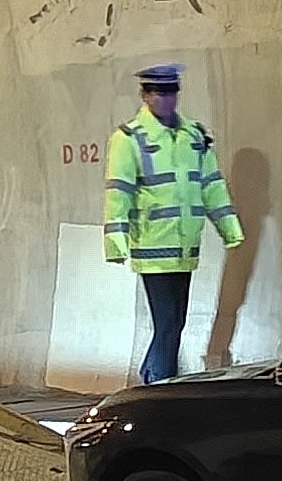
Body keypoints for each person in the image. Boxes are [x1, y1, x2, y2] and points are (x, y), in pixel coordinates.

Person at [101, 63, 244, 384]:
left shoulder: (194, 136)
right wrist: (116, 242)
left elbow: (212, 185)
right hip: (153, 246)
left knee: (174, 323)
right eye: (157, 93)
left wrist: (230, 229)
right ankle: (158, 384)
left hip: (184, 247)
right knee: (167, 324)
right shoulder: (130, 139)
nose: (165, 99)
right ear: (144, 95)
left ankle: (153, 381)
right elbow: (119, 192)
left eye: (170, 92)